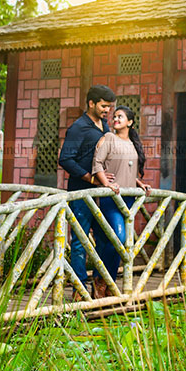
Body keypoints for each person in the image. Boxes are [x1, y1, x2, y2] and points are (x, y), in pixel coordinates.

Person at [58, 84, 116, 298]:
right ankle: (79, 289)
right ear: (91, 103)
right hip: (81, 193)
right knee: (80, 242)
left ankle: (100, 285)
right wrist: (90, 178)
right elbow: (65, 159)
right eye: (103, 106)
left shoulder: (105, 126)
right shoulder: (78, 127)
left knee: (106, 239)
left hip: (102, 195)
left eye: (109, 107)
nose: (107, 110)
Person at [91, 105, 151, 298]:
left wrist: (140, 184)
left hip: (129, 198)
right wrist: (105, 183)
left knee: (122, 241)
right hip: (112, 197)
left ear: (130, 122)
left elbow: (127, 170)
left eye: (120, 117)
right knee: (118, 236)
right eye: (114, 116)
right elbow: (98, 163)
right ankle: (100, 280)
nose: (115, 119)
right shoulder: (109, 138)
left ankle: (110, 283)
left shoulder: (133, 144)